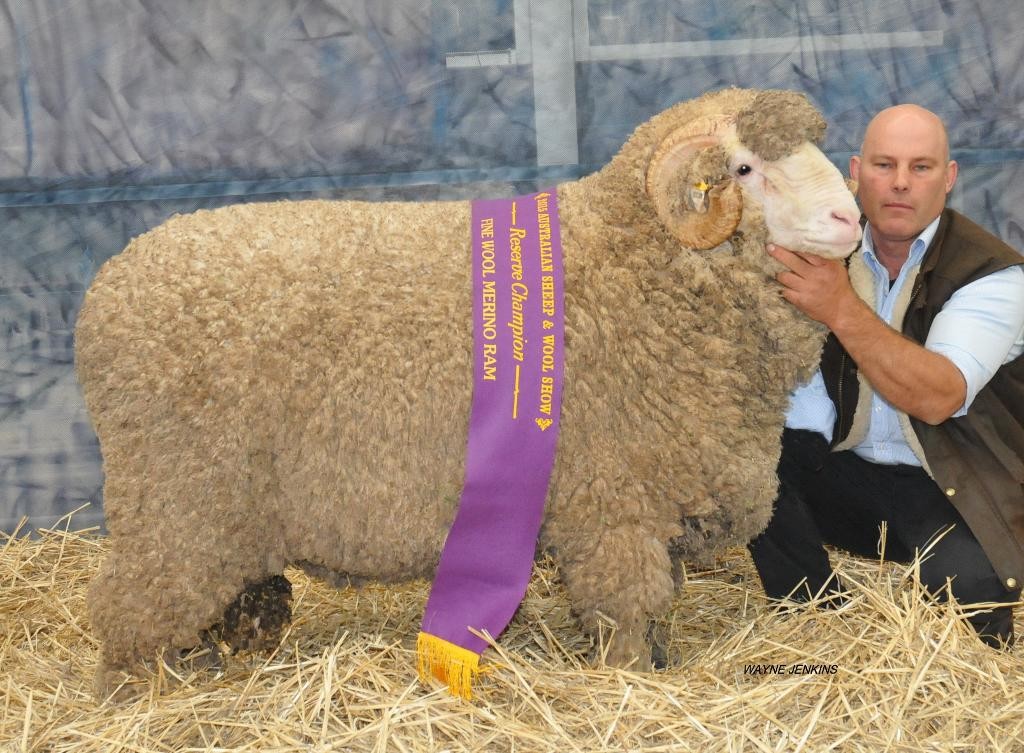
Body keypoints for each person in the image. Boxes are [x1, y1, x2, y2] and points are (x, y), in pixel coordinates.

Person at [747, 104, 1024, 647]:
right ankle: (814, 628)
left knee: (973, 616)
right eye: (883, 165)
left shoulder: (995, 275)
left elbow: (940, 395)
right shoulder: (823, 248)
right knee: (749, 471)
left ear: (948, 179)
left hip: (956, 485)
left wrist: (840, 307)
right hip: (849, 475)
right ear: (853, 173)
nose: (899, 183)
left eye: (920, 168)